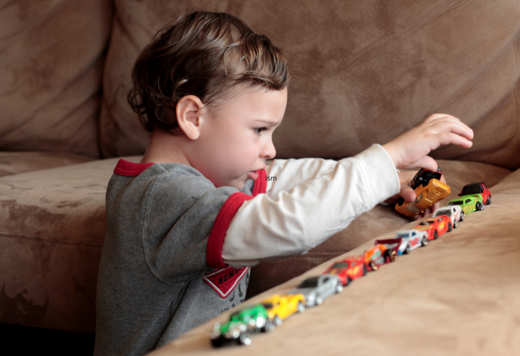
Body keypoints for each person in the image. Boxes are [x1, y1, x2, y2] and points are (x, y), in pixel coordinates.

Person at [94, 10, 473, 356]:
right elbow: (286, 225)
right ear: (193, 116)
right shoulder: (160, 197)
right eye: (259, 130)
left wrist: (390, 180)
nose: (270, 149)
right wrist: (386, 157)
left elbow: (287, 176)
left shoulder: (213, 181)